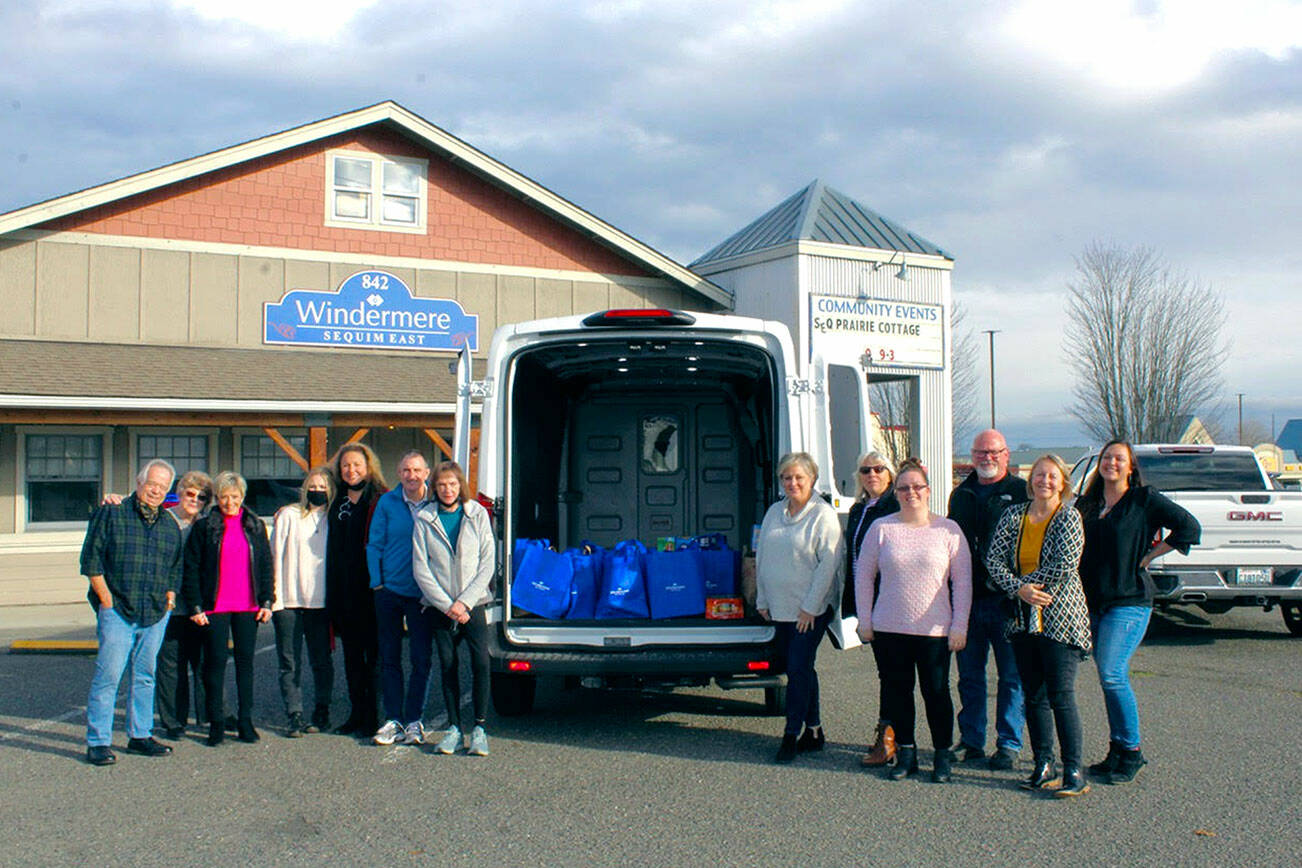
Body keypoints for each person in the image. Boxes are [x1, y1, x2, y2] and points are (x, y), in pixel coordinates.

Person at [1076, 439, 1199, 784]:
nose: (1111, 463)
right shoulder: (1088, 504)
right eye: (1106, 457)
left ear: (1130, 467)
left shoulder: (1144, 501)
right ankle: (1116, 751)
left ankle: (1132, 751)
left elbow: (1189, 527)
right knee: (1106, 676)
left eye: (1119, 459)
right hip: (1095, 603)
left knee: (1113, 673)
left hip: (1129, 601)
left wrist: (1151, 555)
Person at [855, 460, 971, 783]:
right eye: (904, 488)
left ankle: (942, 755)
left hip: (935, 630)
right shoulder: (882, 529)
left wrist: (959, 625)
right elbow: (863, 576)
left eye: (917, 487)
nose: (910, 493)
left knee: (936, 692)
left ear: (928, 491)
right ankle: (907, 752)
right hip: (889, 627)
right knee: (898, 691)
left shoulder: (948, 530)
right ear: (897, 492)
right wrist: (865, 620)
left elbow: (962, 583)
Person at [986, 455, 1093, 797]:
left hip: (1060, 619)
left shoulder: (1069, 517)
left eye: (1052, 476)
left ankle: (1074, 769)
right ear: (1030, 481)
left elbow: (1065, 563)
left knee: (1061, 695)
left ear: (1063, 482)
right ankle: (1043, 763)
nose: (1044, 481)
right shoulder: (1013, 516)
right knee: (1033, 696)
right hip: (1021, 619)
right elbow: (993, 559)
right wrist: (1018, 589)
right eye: (1039, 476)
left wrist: (1027, 586)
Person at [80, 459, 185, 765]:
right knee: (108, 676)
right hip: (118, 611)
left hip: (154, 614)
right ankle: (98, 741)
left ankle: (140, 735)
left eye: (163, 487)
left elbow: (174, 569)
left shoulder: (169, 525)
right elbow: (91, 560)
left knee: (145, 676)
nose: (156, 491)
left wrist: (168, 600)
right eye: (152, 483)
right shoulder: (112, 513)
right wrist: (106, 600)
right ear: (139, 483)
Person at [756, 452, 845, 764]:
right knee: (802, 667)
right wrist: (762, 599)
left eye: (799, 477)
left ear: (812, 480)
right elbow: (762, 556)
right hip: (779, 608)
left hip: (811, 610)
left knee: (796, 668)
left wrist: (810, 608)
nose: (792, 483)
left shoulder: (822, 515)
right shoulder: (773, 513)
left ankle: (790, 735)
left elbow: (828, 565)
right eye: (787, 477)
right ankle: (815, 730)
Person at [947, 428, 1028, 770]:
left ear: (1006, 455)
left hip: (1008, 601)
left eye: (994, 452)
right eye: (981, 452)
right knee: (969, 677)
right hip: (968, 600)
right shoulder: (961, 495)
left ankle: (1008, 744)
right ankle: (971, 741)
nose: (987, 458)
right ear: (972, 456)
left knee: (1012, 677)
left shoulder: (1021, 492)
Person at [183, 471, 274, 746]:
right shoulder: (205, 527)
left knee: (246, 665)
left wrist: (267, 600)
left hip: (248, 605)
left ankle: (246, 722)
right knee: (215, 665)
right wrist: (196, 604)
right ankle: (217, 723)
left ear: (242, 497)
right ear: (217, 498)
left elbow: (266, 566)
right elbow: (192, 568)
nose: (229, 501)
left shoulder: (255, 525)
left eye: (234, 496)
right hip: (215, 606)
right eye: (224, 496)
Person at [412, 460, 496, 756]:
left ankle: (480, 728)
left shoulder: (477, 515)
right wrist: (448, 605)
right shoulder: (424, 518)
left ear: (461, 485)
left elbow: (487, 562)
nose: (448, 490)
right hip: (440, 607)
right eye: (441, 485)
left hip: (473, 604)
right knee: (448, 664)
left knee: (481, 663)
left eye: (453, 484)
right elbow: (422, 568)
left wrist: (465, 603)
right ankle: (454, 728)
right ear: (434, 487)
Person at [367, 450, 438, 746]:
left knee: (421, 659)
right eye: (406, 470)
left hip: (423, 595)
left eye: (417, 470)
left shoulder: (436, 503)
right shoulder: (387, 502)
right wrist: (377, 583)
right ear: (399, 473)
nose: (412, 475)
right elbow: (374, 544)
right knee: (390, 658)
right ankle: (393, 719)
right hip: (390, 592)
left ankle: (414, 720)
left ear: (427, 473)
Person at [843, 451, 901, 767]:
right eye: (866, 470)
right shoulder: (858, 509)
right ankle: (891, 735)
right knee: (887, 672)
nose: (872, 475)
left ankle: (890, 739)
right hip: (866, 602)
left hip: (888, 602)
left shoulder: (894, 506)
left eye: (879, 469)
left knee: (892, 673)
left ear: (890, 474)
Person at [325, 443, 387, 737]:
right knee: (351, 658)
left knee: (372, 657)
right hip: (343, 591)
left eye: (357, 465)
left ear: (368, 466)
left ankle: (374, 716)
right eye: (346, 465)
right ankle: (356, 713)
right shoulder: (336, 501)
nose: (351, 470)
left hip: (372, 591)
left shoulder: (380, 499)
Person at [270, 468, 335, 737]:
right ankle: (294, 714)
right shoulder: (289, 515)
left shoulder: (335, 519)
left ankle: (322, 709)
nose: (317, 490)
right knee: (289, 661)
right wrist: (274, 598)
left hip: (321, 603)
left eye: (323, 486)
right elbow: (275, 555)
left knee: (321, 661)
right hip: (288, 601)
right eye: (313, 485)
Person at [155, 471, 213, 739]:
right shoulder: (164, 521)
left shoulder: (207, 524)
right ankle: (173, 720)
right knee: (171, 666)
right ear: (180, 493)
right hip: (170, 606)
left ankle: (208, 716)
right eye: (190, 494)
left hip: (199, 606)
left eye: (201, 497)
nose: (195, 500)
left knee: (203, 663)